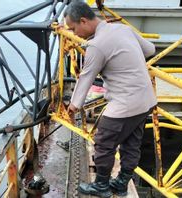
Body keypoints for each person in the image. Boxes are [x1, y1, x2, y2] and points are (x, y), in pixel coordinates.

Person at [64, 1, 157, 197]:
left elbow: (86, 78)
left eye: (73, 29)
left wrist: (72, 107)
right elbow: (150, 50)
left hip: (125, 103)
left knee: (103, 142)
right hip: (146, 100)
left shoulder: (96, 45)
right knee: (131, 143)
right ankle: (121, 184)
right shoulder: (122, 29)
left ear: (83, 21)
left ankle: (101, 186)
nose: (74, 34)